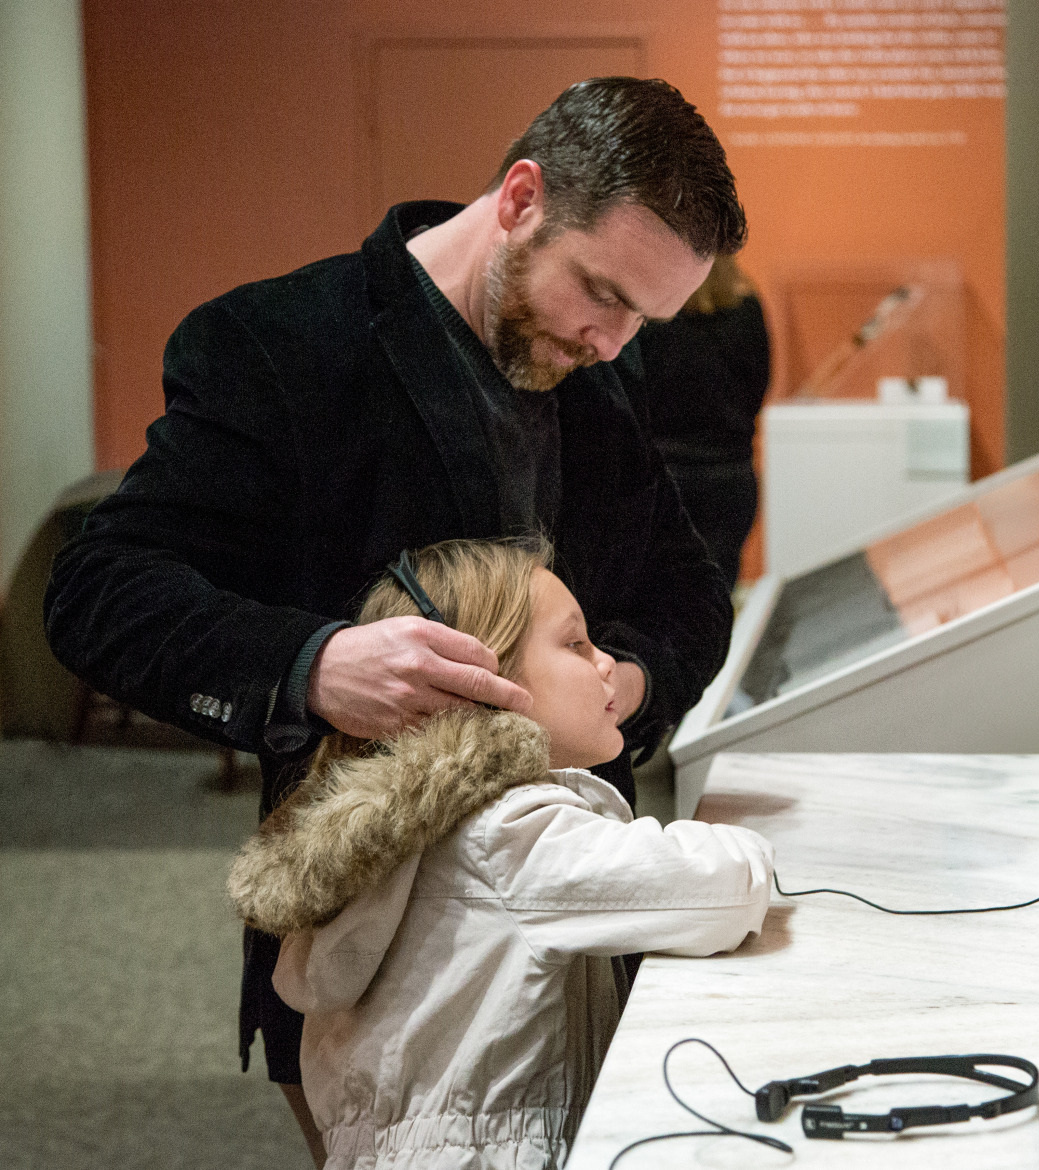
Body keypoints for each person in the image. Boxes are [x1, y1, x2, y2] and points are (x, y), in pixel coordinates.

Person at [43, 77, 741, 1142]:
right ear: (520, 199)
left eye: (642, 318)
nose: (611, 341)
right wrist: (314, 665)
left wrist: (621, 678)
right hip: (366, 948)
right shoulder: (281, 345)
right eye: (600, 295)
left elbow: (688, 594)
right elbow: (99, 590)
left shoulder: (594, 368)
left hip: (571, 904)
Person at [227, 539, 775, 1170]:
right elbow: (721, 889)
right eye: (576, 645)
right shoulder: (509, 835)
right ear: (480, 685)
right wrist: (753, 845)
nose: (607, 666)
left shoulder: (418, 830)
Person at [631, 255, 770, 589]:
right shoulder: (747, 308)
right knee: (718, 593)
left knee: (659, 597)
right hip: (731, 476)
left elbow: (634, 393)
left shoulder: (650, 315)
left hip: (664, 475)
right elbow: (760, 386)